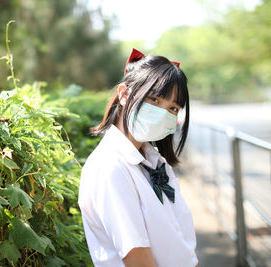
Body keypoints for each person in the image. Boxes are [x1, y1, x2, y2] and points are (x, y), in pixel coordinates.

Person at [78, 48, 198, 267]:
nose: (163, 112)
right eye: (154, 99)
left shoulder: (155, 161)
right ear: (124, 95)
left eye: (173, 108)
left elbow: (182, 248)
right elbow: (138, 259)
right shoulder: (109, 167)